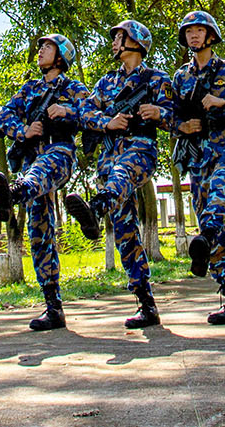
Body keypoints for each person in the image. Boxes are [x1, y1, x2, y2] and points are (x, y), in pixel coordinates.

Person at [66, 19, 171, 328]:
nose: (113, 43)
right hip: (109, 157)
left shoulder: (156, 79)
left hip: (140, 151)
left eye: (119, 37)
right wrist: (107, 122)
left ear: (135, 42)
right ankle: (145, 303)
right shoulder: (106, 82)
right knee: (126, 232)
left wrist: (158, 113)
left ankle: (96, 209)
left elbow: (175, 114)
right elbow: (84, 112)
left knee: (123, 174)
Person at [0, 34, 93, 331]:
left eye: (46, 47)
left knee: (40, 172)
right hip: (31, 159)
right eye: (39, 48)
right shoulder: (29, 89)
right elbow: (3, 117)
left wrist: (67, 110)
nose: (40, 52)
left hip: (58, 154)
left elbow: (91, 114)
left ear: (61, 55)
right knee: (39, 233)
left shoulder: (73, 88)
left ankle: (13, 193)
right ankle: (53, 307)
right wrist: (23, 131)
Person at [166, 10, 225, 324]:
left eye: (199, 30)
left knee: (219, 194)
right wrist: (181, 126)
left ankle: (205, 237)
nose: (193, 36)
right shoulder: (180, 77)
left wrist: (222, 103)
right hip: (197, 153)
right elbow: (170, 114)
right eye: (188, 31)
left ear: (211, 35)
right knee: (207, 218)